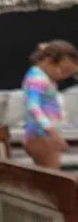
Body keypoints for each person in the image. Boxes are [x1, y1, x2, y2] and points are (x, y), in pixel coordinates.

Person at [22, 39, 78, 168]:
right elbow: (33, 106)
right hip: (40, 135)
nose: (63, 77)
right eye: (62, 71)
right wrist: (51, 131)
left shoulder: (42, 77)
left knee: (50, 175)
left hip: (42, 134)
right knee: (51, 176)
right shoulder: (37, 78)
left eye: (69, 74)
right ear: (48, 61)